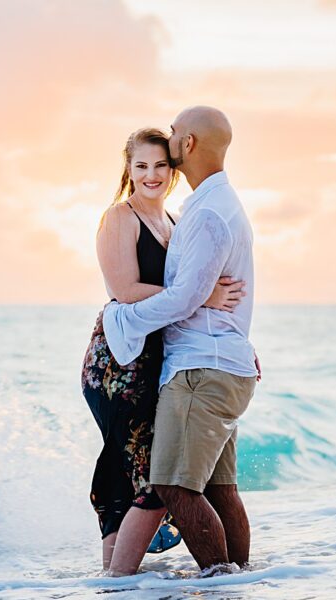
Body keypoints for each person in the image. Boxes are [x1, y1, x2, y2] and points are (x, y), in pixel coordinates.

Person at [81, 127, 246, 573]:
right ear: (128, 170)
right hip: (120, 362)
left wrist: (229, 337)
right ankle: (114, 582)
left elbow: (184, 293)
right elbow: (124, 289)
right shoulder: (120, 217)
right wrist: (203, 297)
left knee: (137, 470)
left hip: (160, 358)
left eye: (160, 166)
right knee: (138, 470)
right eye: (141, 166)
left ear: (172, 171)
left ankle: (116, 586)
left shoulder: (173, 221)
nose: (151, 175)